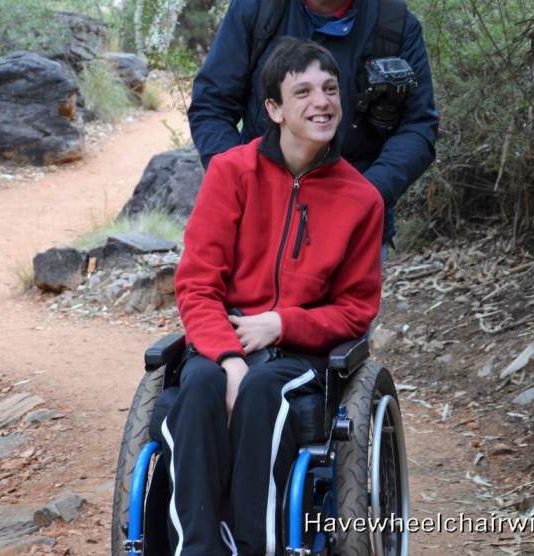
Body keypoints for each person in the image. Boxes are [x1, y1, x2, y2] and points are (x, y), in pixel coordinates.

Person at [162, 37, 384, 555]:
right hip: (226, 336)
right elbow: (196, 284)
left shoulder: (361, 199)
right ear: (274, 109)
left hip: (300, 350)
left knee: (265, 393)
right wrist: (228, 357)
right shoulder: (232, 172)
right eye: (302, 91)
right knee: (197, 390)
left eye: (329, 89)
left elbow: (356, 310)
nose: (321, 102)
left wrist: (282, 324)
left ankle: (253, 546)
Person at [188, 0, 438, 246]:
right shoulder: (257, 9)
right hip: (258, 216)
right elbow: (212, 105)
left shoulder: (393, 22)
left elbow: (418, 126)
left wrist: (367, 193)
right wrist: (241, 185)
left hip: (353, 229)